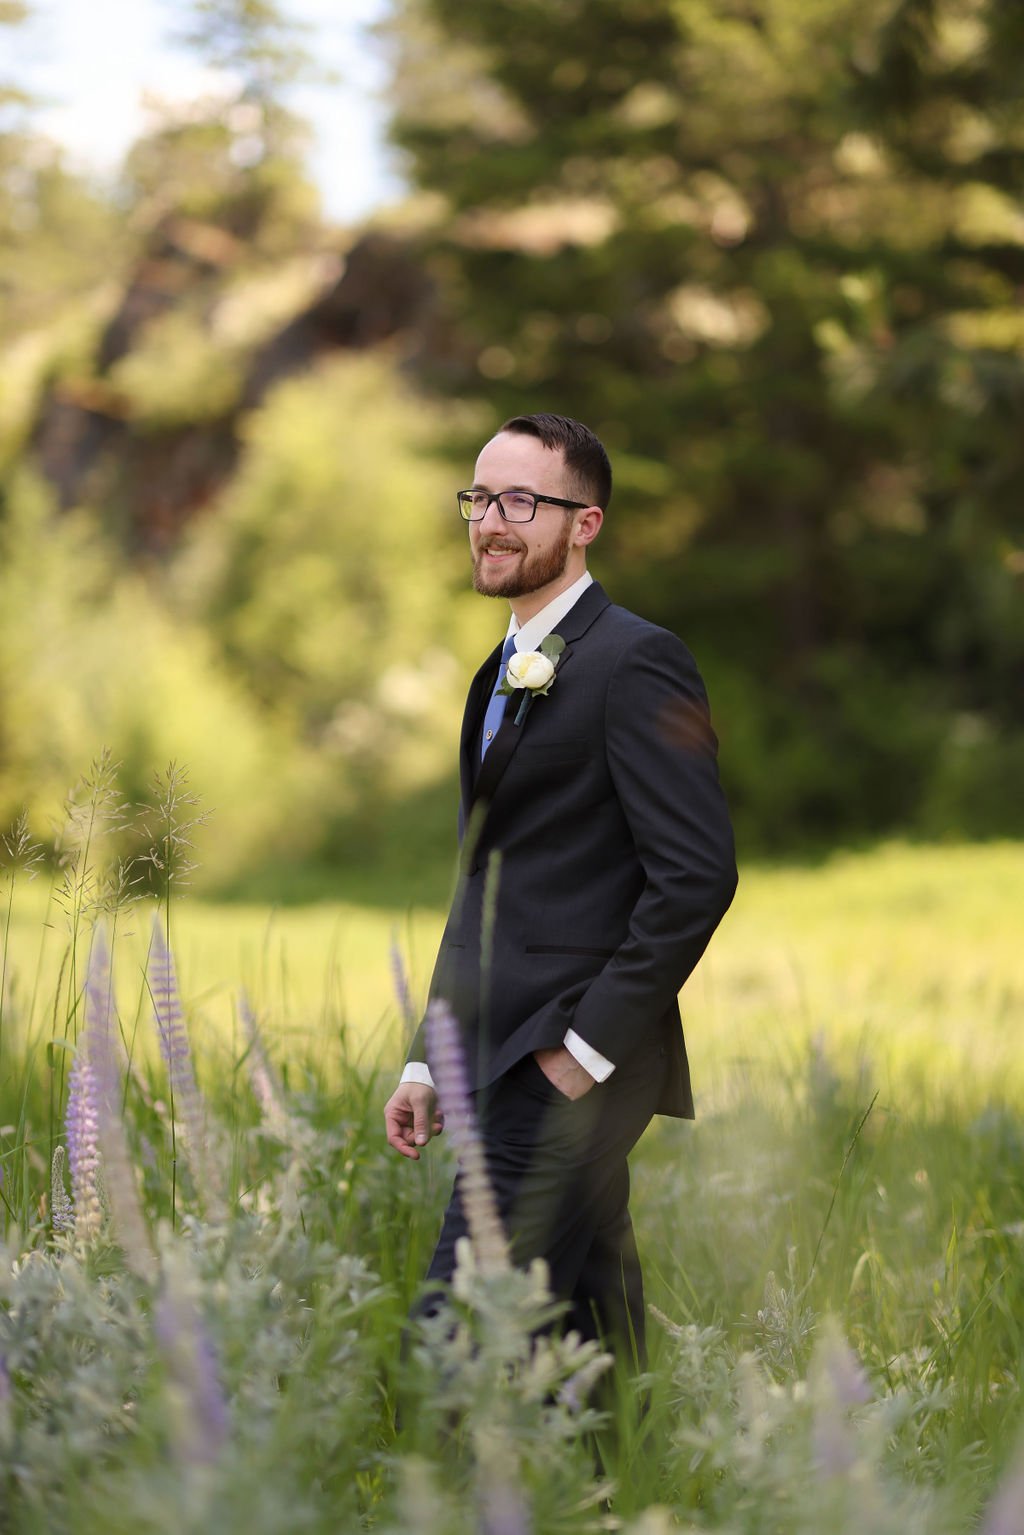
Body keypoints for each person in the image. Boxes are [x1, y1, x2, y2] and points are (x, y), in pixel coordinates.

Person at [383, 412, 737, 1362]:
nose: (491, 521)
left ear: (586, 523)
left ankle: (435, 1500)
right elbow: (485, 885)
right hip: (494, 1050)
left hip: (569, 1056)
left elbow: (697, 874)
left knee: (452, 1330)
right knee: (588, 1334)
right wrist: (431, 1058)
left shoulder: (640, 661)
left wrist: (586, 1050)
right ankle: (621, 1491)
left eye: (521, 501)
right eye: (480, 498)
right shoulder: (492, 674)